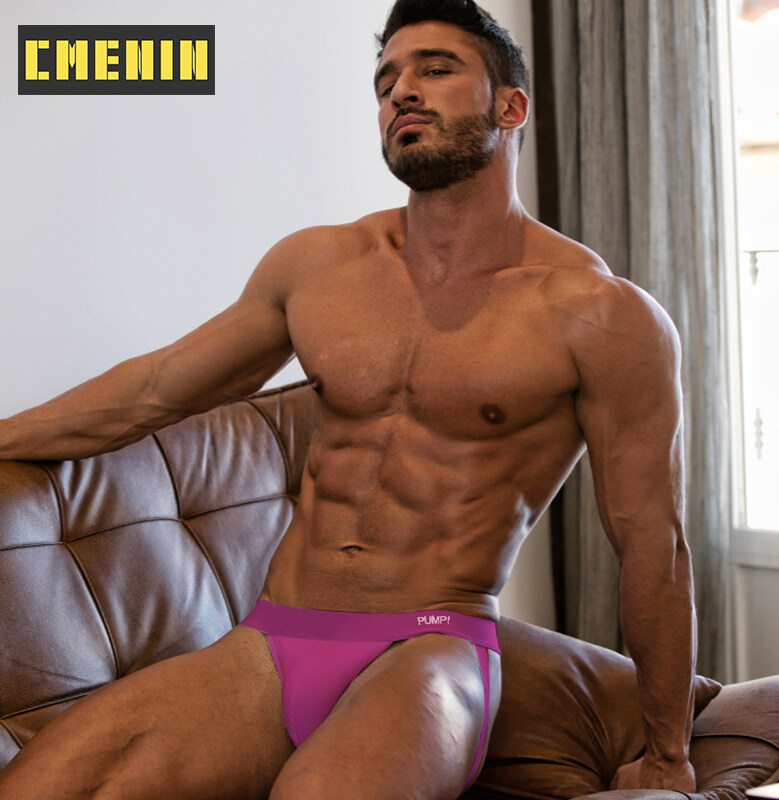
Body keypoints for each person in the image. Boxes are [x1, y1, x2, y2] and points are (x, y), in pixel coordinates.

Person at [0, 1, 697, 798]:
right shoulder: (318, 268)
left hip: (431, 647)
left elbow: (653, 544)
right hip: (271, 640)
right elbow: (153, 391)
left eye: (436, 69)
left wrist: (668, 754)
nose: (402, 91)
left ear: (511, 107)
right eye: (386, 80)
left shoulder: (600, 315)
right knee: (42, 785)